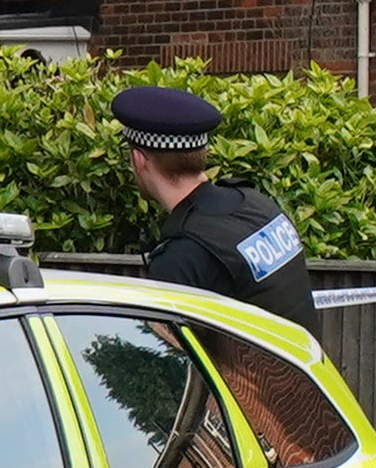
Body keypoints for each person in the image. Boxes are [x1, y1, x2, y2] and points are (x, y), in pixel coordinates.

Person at [110, 83, 316, 333]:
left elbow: (172, 360)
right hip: (309, 368)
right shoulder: (257, 206)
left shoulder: (183, 256)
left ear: (139, 159)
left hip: (247, 373)